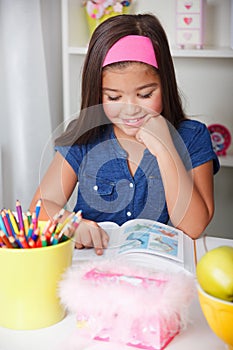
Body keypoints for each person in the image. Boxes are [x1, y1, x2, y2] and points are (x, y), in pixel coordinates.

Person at [30, 13, 220, 255]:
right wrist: (70, 223)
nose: (130, 109)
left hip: (156, 273)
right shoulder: (85, 136)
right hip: (90, 269)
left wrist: (165, 149)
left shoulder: (192, 137)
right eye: (114, 97)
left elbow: (194, 226)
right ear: (97, 95)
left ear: (165, 84)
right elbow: (39, 207)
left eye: (145, 94)